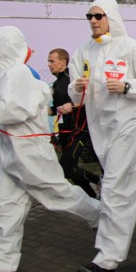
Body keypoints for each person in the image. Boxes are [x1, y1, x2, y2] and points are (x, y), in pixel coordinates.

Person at [0, 26, 100, 272]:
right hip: (11, 151)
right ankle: (0, 260)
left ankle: (105, 216)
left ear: (7, 44)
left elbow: (8, 113)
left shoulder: (18, 73)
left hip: (29, 153)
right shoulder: (5, 74)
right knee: (4, 205)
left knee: (59, 196)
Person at [68, 0, 136, 272]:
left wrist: (128, 85)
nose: (93, 20)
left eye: (98, 15)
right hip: (99, 128)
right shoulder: (83, 51)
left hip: (128, 125)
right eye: (89, 16)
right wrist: (76, 87)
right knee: (130, 178)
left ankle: (107, 259)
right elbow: (75, 93)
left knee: (115, 186)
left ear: (111, 17)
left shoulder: (132, 48)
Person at [48, 48, 101, 198]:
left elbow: (87, 98)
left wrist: (71, 105)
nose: (49, 64)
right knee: (71, 171)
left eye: (52, 61)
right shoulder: (56, 83)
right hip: (65, 132)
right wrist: (42, 110)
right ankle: (94, 198)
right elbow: (57, 107)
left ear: (63, 62)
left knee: (65, 168)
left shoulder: (72, 79)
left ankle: (98, 180)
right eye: (48, 61)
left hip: (78, 131)